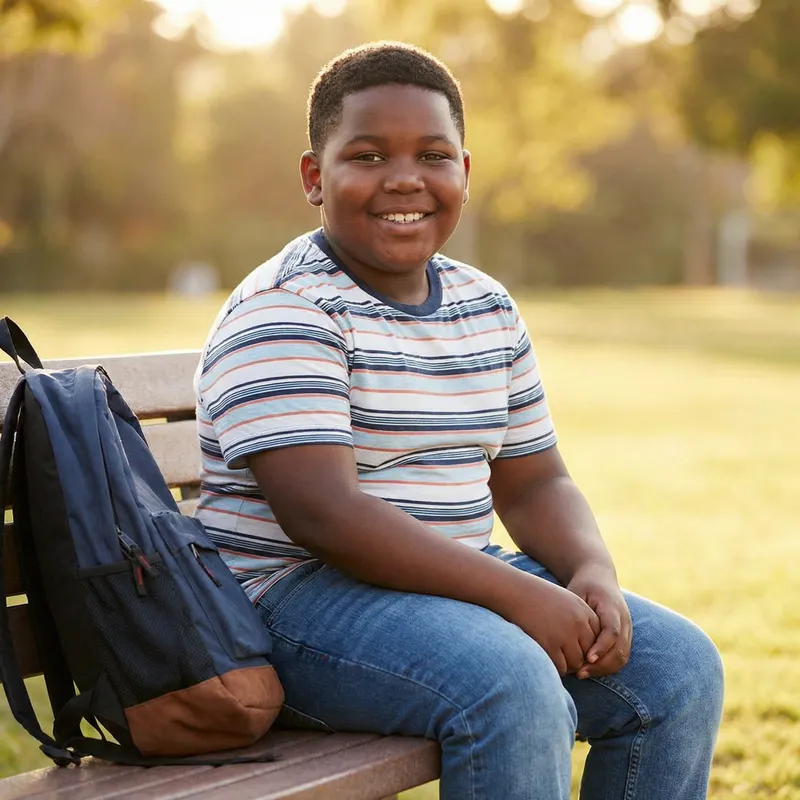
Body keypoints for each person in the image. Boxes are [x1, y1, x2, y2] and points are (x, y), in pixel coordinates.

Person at [194, 41, 724, 800]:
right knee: (509, 683)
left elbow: (536, 479)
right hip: (288, 608)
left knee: (679, 671)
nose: (404, 178)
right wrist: (517, 595)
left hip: (450, 582)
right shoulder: (287, 308)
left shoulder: (485, 304)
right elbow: (324, 514)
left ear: (465, 175)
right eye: (368, 155)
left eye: (432, 155)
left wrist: (589, 572)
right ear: (316, 177)